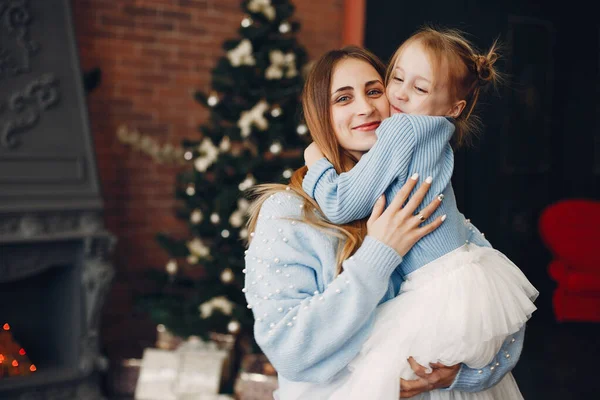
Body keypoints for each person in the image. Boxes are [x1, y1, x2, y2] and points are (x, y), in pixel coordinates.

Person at [244, 45, 526, 400]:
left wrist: (458, 374)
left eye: (373, 91)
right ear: (320, 115)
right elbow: (289, 350)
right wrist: (380, 253)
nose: (365, 107)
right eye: (343, 98)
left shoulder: (420, 195)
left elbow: (500, 312)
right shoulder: (289, 213)